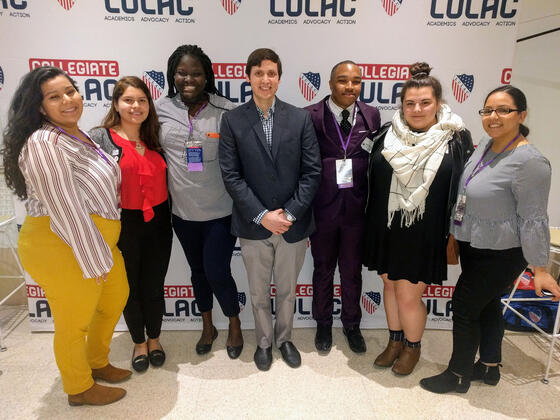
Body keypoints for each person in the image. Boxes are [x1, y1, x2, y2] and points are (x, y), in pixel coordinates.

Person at [1, 66, 130, 405]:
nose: (67, 100)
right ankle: (78, 387)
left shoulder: (75, 134)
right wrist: (92, 256)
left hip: (96, 239)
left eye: (70, 91)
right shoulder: (44, 142)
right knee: (74, 321)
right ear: (40, 107)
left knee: (116, 295)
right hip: (61, 243)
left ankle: (96, 361)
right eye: (54, 97)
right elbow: (65, 206)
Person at [420, 85, 560, 394]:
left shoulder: (530, 162)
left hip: (503, 251)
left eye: (503, 110)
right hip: (476, 243)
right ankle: (489, 366)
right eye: (488, 110)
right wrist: (456, 235)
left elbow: (535, 218)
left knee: (465, 306)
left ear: (521, 115)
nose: (493, 117)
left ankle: (457, 375)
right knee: (488, 305)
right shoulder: (486, 145)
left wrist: (541, 269)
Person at [363, 62, 473, 375]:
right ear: (402, 105)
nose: (417, 108)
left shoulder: (456, 139)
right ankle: (394, 341)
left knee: (408, 294)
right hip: (385, 227)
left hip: (425, 231)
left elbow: (464, 188)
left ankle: (413, 347)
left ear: (438, 103)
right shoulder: (387, 133)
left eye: (425, 102)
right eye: (410, 103)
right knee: (388, 286)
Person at [219, 48, 321, 371]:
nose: (265, 79)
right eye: (259, 73)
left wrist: (288, 214)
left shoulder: (300, 117)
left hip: (293, 224)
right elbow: (231, 176)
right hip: (253, 225)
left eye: (272, 73)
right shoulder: (232, 120)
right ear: (248, 76)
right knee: (259, 290)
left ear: (279, 77)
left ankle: (285, 339)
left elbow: (312, 172)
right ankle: (263, 342)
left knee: (288, 290)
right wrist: (263, 215)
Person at [156, 45, 244, 359]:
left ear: (207, 76)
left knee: (217, 270)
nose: (188, 79)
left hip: (220, 210)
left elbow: (242, 159)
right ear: (173, 76)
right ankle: (207, 325)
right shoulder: (160, 109)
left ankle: (234, 322)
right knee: (197, 271)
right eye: (182, 73)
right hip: (181, 212)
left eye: (196, 73)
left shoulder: (228, 111)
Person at [89, 76, 172, 372]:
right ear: (115, 103)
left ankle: (155, 339)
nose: (135, 106)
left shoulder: (156, 136)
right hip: (123, 223)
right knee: (129, 286)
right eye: (128, 100)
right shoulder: (100, 138)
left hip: (160, 222)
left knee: (154, 283)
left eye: (141, 100)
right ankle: (139, 341)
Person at [305, 61, 380, 353]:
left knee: (351, 271)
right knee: (323, 269)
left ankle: (351, 324)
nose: (350, 87)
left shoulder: (372, 115)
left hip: (356, 211)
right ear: (330, 83)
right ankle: (323, 323)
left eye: (356, 81)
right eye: (342, 80)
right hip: (322, 210)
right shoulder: (309, 116)